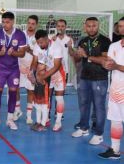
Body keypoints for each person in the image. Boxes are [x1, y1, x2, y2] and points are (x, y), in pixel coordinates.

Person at [71, 17, 111, 145]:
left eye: (94, 25)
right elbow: (78, 59)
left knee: (99, 107)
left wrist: (87, 56)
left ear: (98, 26)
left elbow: (105, 60)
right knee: (83, 104)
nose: (91, 28)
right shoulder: (83, 40)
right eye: (89, 26)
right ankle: (83, 128)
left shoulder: (105, 40)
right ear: (85, 27)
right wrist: (75, 52)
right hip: (85, 77)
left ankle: (99, 134)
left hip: (99, 78)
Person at [0, 12, 26, 130]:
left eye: (8, 22)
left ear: (13, 21)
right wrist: (0, 52)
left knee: (12, 93)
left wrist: (13, 53)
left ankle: (10, 119)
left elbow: (22, 53)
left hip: (14, 69)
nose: (5, 24)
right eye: (3, 22)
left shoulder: (20, 34)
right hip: (0, 68)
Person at [97, 16, 124, 160]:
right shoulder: (113, 46)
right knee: (115, 120)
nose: (121, 28)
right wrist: (106, 65)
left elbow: (116, 66)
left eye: (123, 25)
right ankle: (115, 149)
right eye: (120, 26)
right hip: (115, 90)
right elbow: (109, 64)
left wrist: (116, 66)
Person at [32, 29, 65, 132]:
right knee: (47, 98)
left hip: (58, 74)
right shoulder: (37, 46)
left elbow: (56, 66)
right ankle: (44, 120)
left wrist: (42, 76)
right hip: (45, 74)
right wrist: (32, 73)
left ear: (47, 39)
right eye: (38, 43)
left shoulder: (56, 47)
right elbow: (34, 61)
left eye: (41, 42)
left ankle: (58, 122)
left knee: (59, 98)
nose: (40, 44)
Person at [50, 19, 73, 121]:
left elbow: (72, 54)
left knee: (60, 94)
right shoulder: (51, 38)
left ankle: (58, 113)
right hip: (51, 70)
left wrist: (70, 47)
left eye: (62, 26)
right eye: (58, 26)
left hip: (64, 70)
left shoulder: (69, 39)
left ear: (65, 27)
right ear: (56, 27)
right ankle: (47, 113)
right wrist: (52, 41)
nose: (60, 28)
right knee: (49, 93)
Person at [18, 15, 38, 125]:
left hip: (31, 67)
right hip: (19, 66)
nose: (30, 25)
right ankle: (17, 111)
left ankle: (29, 116)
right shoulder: (20, 34)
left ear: (36, 25)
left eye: (33, 24)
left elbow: (40, 54)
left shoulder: (38, 37)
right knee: (15, 88)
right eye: (29, 23)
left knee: (30, 91)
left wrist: (29, 49)